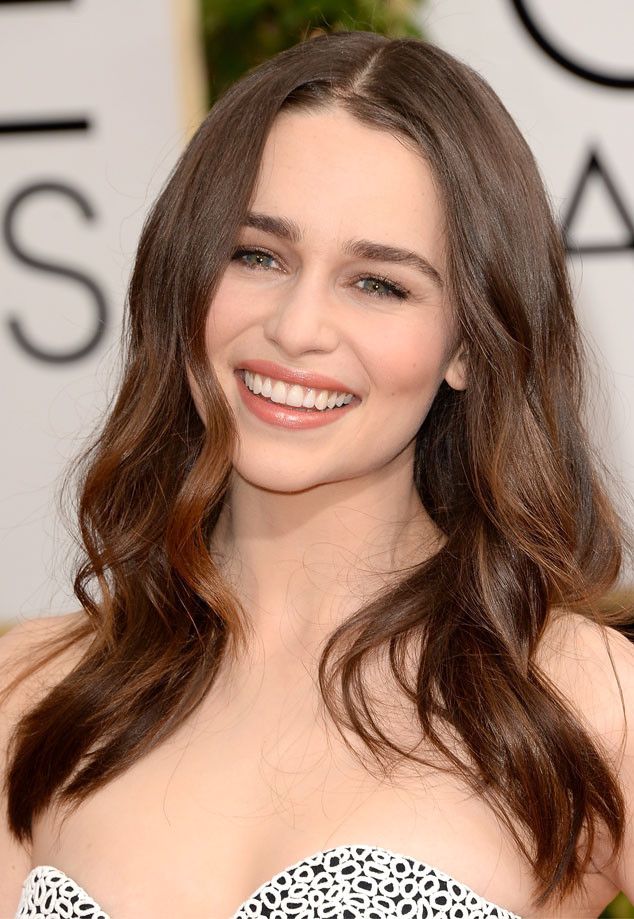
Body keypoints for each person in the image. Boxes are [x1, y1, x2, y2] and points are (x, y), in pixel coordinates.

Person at [1, 29, 633, 919]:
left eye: (378, 282)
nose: (298, 328)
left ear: (467, 345)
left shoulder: (579, 697)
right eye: (256, 255)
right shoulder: (30, 694)